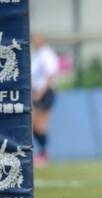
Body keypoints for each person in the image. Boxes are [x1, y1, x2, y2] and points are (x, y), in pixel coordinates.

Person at [31, 33, 60, 168]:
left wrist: (41, 92)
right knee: (33, 125)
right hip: (37, 92)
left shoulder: (47, 54)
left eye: (37, 39)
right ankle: (43, 151)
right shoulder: (37, 56)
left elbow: (50, 74)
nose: (35, 42)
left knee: (40, 126)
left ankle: (44, 153)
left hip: (45, 93)